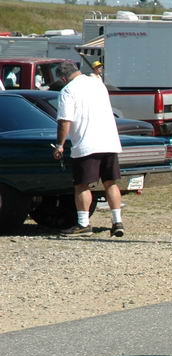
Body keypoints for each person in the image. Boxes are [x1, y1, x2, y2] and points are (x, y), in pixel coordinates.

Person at [52, 61, 124, 237]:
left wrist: (60, 144)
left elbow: (64, 121)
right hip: (109, 140)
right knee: (110, 182)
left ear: (63, 78)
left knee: (81, 185)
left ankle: (84, 224)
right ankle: (117, 222)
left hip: (86, 143)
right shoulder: (98, 83)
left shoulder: (68, 90)